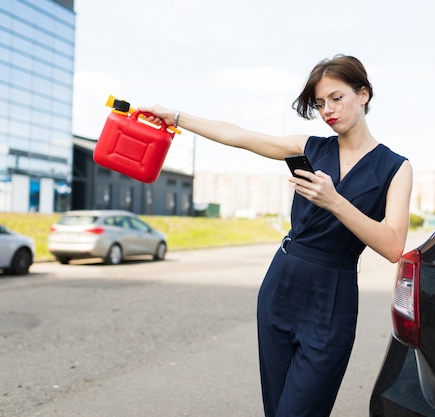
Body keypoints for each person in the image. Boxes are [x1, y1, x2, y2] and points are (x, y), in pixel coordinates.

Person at [143, 54, 413, 417]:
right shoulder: (310, 147)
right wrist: (173, 116)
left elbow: (393, 246)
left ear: (363, 94)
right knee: (277, 408)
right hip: (282, 283)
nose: (328, 110)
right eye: (319, 104)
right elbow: (236, 135)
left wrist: (334, 201)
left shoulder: (396, 167)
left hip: (332, 295)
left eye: (337, 98)